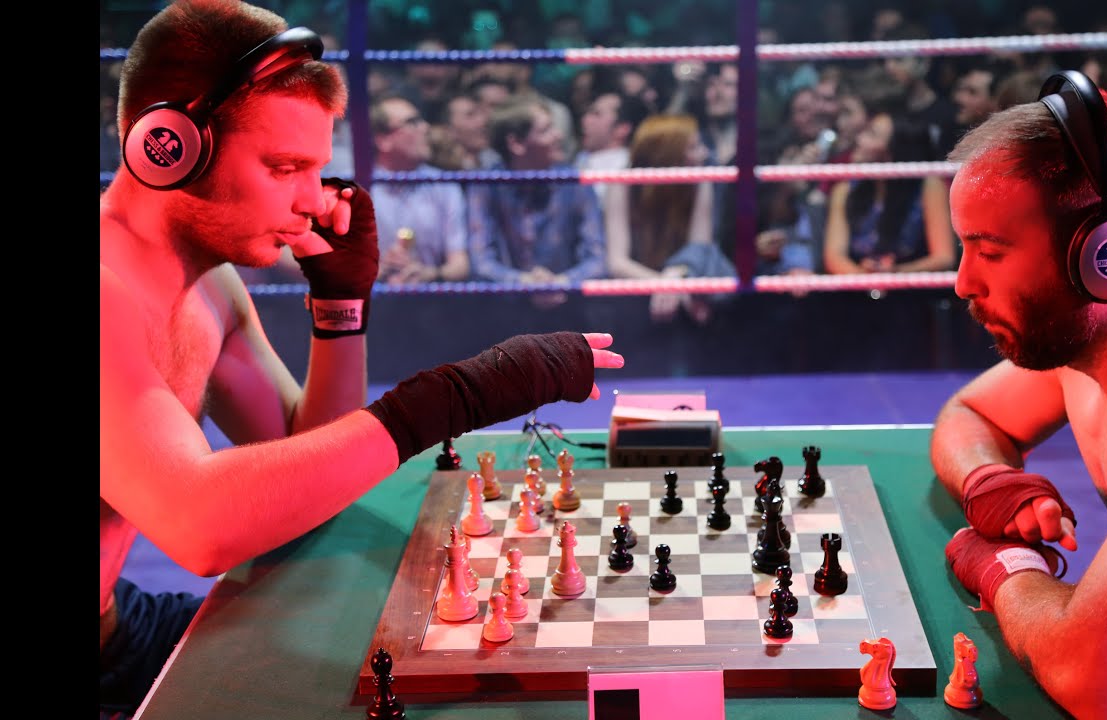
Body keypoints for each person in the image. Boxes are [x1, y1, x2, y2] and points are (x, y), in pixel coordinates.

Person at [99, 3, 624, 718]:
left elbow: (302, 462)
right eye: (284, 167)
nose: (313, 201)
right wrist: (455, 397)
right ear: (168, 145)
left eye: (316, 169)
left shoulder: (210, 286)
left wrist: (341, 311)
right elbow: (202, 528)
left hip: (115, 631)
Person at [931, 71, 1107, 719]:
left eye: (990, 251)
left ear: (1103, 255)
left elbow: (1100, 684)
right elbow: (971, 414)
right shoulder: (1094, 331)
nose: (962, 283)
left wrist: (1006, 565)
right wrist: (990, 480)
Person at [466, 96, 607, 288]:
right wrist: (525, 282)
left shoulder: (575, 182)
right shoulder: (485, 185)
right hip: (504, 306)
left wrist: (560, 283)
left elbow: (598, 259)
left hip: (568, 303)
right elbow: (480, 263)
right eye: (546, 130)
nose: (558, 135)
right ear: (516, 144)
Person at [602, 113, 729, 324]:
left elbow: (699, 249)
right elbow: (617, 263)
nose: (704, 153)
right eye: (693, 147)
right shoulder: (622, 185)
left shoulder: (699, 182)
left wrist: (677, 277)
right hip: (636, 294)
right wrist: (666, 284)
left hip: (682, 286)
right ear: (668, 155)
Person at [823, 109, 955, 274]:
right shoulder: (845, 189)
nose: (859, 139)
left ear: (894, 150)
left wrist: (896, 272)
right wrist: (867, 279)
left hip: (910, 287)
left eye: (872, 134)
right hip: (857, 286)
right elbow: (834, 256)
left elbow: (944, 258)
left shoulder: (928, 186)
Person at [369, 93, 469, 284]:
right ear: (383, 140)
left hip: (434, 299)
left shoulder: (444, 184)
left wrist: (429, 274)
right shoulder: (354, 187)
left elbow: (460, 265)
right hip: (372, 301)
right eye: (412, 122)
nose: (425, 127)